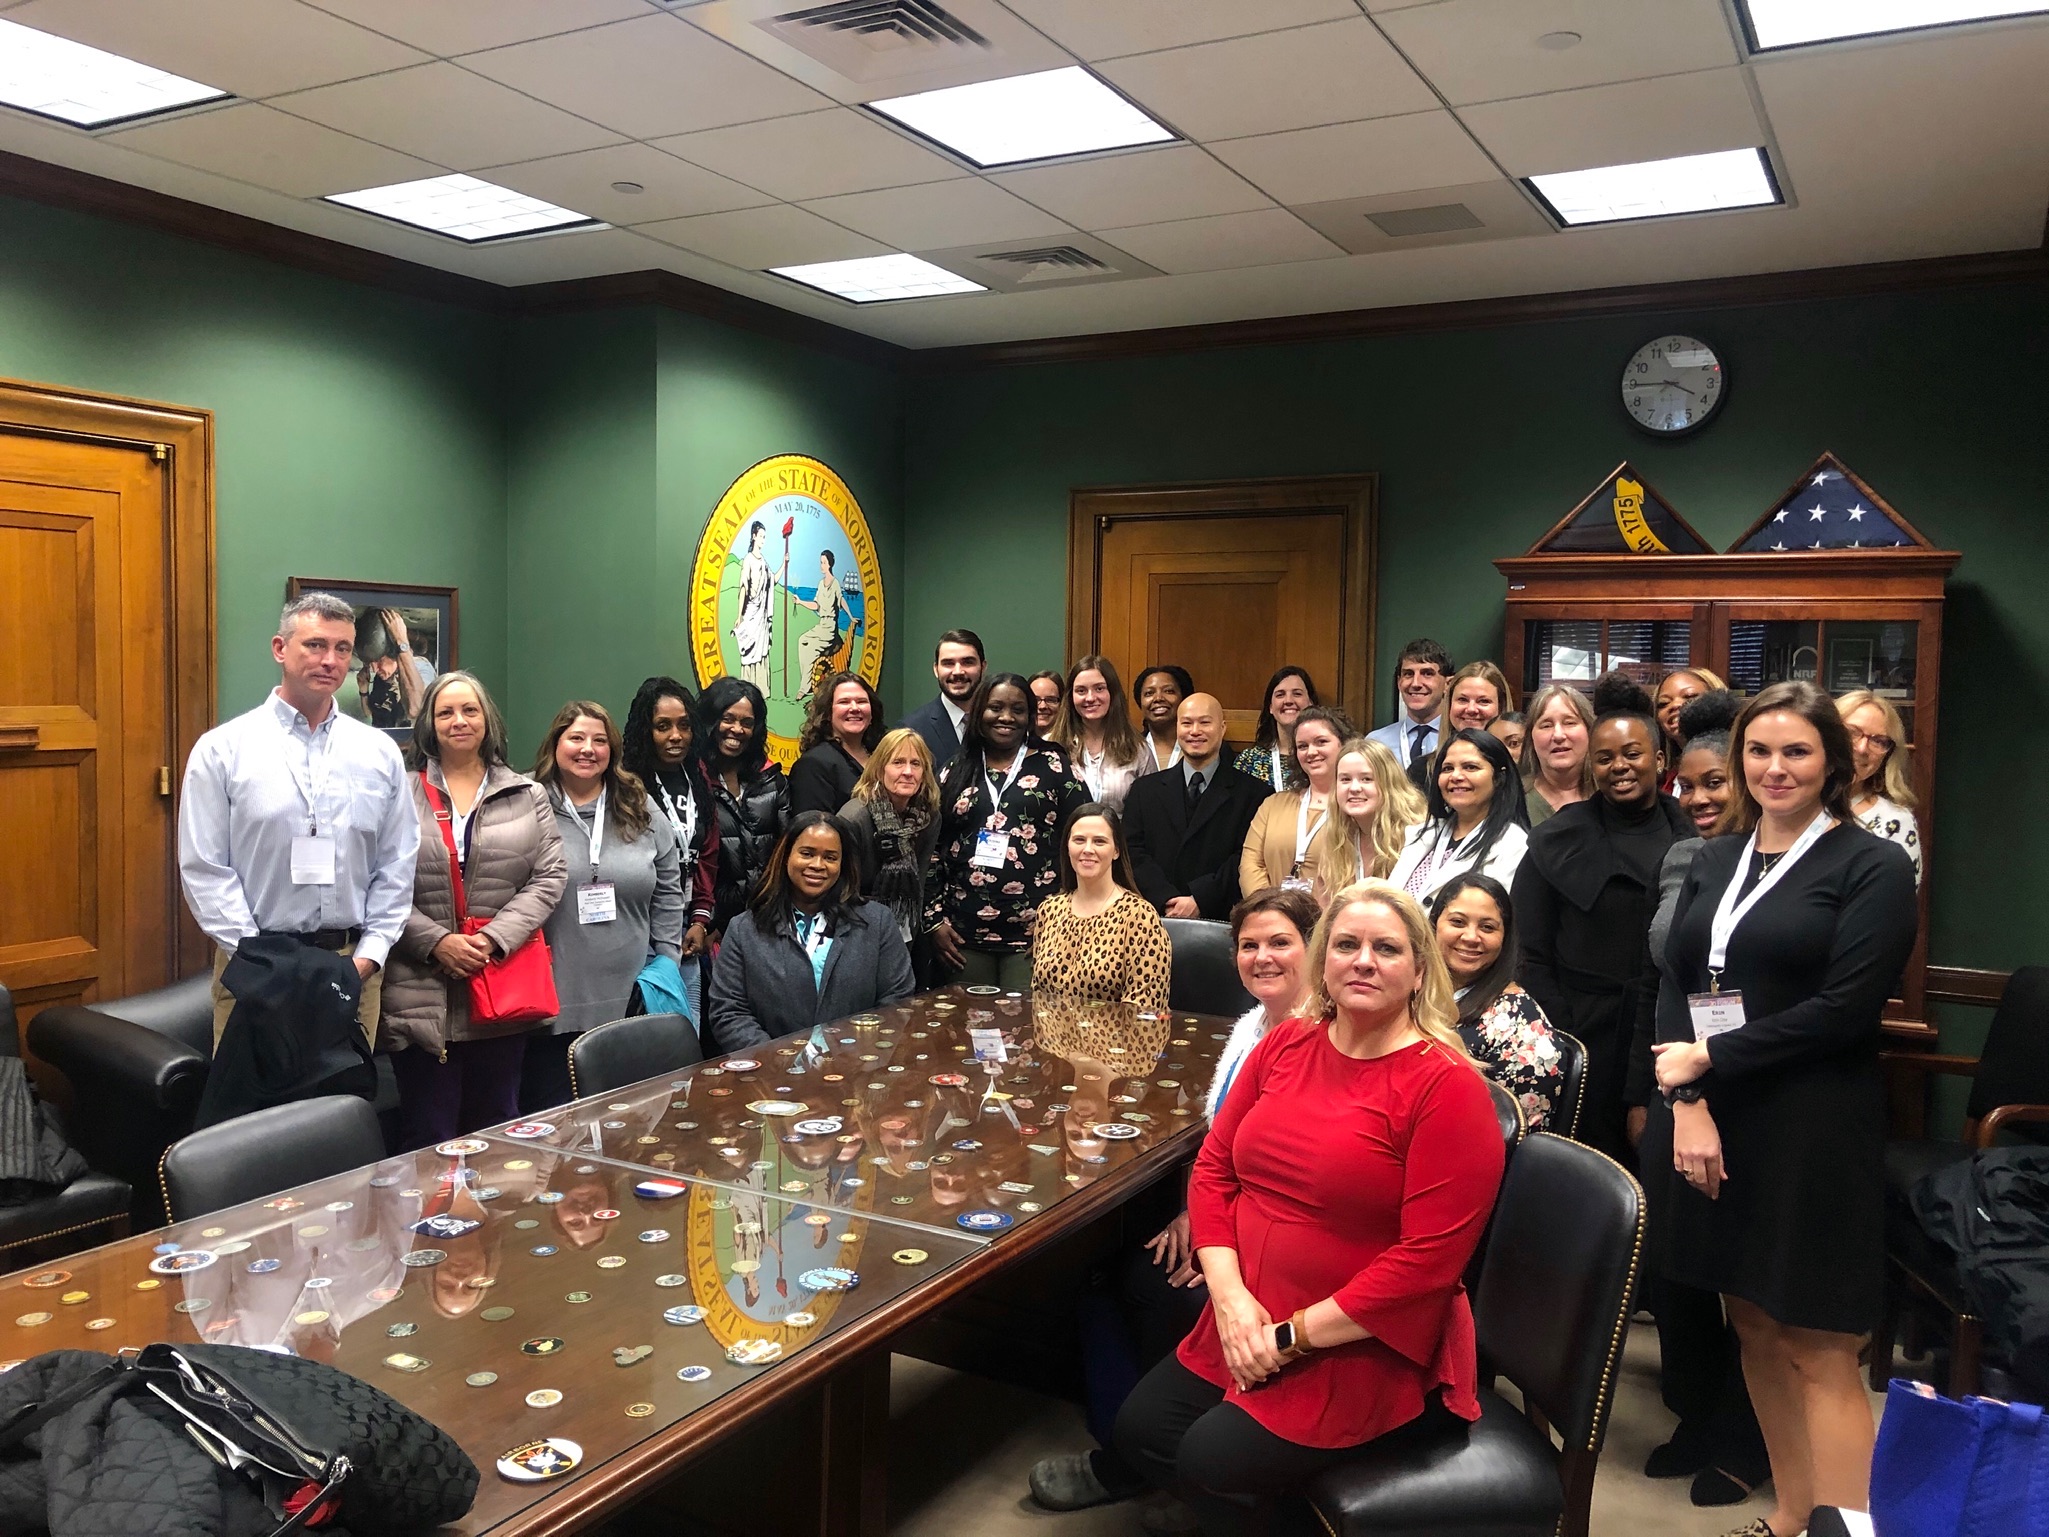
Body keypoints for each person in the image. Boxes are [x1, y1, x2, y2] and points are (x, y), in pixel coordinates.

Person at [1113, 880, 1506, 1537]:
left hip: (1359, 1339)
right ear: (1323, 960)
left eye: (1386, 948)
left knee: (1211, 1458)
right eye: (1346, 943)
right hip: (1247, 1313)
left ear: (1417, 970)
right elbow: (1213, 1168)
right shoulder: (1287, 1042)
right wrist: (1231, 1299)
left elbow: (1426, 1265)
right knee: (1142, 1430)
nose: (1362, 959)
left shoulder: (1449, 1087)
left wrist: (1285, 1337)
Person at [1650, 681, 1917, 1537]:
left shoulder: (1872, 864)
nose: (1774, 767)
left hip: (1812, 1127)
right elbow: (1677, 981)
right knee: (1754, 1326)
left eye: (1796, 750)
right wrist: (1688, 1098)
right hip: (1715, 1125)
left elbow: (1846, 1007)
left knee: (1818, 1343)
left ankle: (1848, 1527)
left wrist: (1711, 1055)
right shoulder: (1715, 858)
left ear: (1834, 763)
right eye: (1758, 751)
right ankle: (1793, 1511)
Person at [1029, 887, 1320, 1519]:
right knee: (1104, 1273)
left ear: (1313, 949)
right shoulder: (1253, 1024)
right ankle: (1130, 1451)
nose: (1262, 958)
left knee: (1147, 1285)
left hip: (1270, 1248)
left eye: (1280, 943)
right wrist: (1197, 1209)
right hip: (1221, 1212)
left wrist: (1218, 1239)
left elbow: (1293, 1178)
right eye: (1249, 945)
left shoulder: (1316, 1037)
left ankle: (1142, 1463)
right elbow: (1221, 1141)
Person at [1624, 687, 1767, 1512]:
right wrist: (1648, 1091)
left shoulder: (1794, 864)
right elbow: (1658, 976)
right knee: (1672, 1263)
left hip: (1751, 1091)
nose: (1705, 796)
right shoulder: (1683, 858)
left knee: (1741, 1272)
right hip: (1671, 1080)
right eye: (1693, 784)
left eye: (1719, 782)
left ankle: (1750, 1437)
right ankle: (1697, 1414)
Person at [179, 591, 419, 1046]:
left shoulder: (379, 752)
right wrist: (259, 961)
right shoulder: (223, 750)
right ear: (280, 649)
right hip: (255, 968)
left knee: (341, 1111)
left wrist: (368, 958)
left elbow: (396, 865)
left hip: (350, 969)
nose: (329, 659)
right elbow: (205, 869)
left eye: (342, 649)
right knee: (256, 1117)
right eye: (314, 644)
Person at [381, 672, 567, 1150]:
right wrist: (436, 942)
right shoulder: (397, 793)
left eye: (470, 710)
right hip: (418, 991)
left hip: (500, 984)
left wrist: (490, 940)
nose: (458, 721)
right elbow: (374, 883)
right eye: (445, 712)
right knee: (428, 1136)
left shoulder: (527, 795)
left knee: (500, 1135)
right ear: (429, 723)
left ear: (488, 721)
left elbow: (549, 879)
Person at [1513, 674, 1692, 1159]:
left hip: (1667, 1034)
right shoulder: (1556, 841)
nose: (1620, 767)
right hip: (1580, 1034)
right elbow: (1530, 950)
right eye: (1605, 757)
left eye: (1632, 754)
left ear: (1658, 760)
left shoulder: (1697, 840)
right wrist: (1566, 1031)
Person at [523, 700, 684, 1110]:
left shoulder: (638, 805)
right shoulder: (526, 801)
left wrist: (666, 957)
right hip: (548, 1001)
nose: (587, 749)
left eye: (599, 740)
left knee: (628, 1130)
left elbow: (668, 885)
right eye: (576, 738)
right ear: (554, 744)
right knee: (555, 1133)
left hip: (631, 999)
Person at [928, 673, 1090, 990]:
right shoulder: (954, 770)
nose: (1006, 717)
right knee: (969, 1029)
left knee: (1025, 1031)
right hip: (963, 932)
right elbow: (932, 846)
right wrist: (934, 921)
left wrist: (1069, 921)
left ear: (1029, 716)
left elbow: (1084, 844)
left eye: (1017, 709)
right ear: (979, 714)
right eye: (995, 708)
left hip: (1037, 933)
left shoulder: (1056, 766)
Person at [707, 811, 916, 1053]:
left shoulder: (877, 922)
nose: (817, 865)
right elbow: (729, 1011)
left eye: (830, 857)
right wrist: (777, 1059)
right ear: (785, 856)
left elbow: (897, 1000)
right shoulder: (744, 929)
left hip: (857, 1074)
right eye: (807, 854)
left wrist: (854, 1058)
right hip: (770, 1078)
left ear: (843, 864)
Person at [1430, 873, 1565, 1133]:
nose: (1471, 936)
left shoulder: (1524, 1032)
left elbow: (1514, 1139)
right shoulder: (1407, 992)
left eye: (1487, 927)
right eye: (1458, 922)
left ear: (1506, 939)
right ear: (1434, 925)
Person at [620, 677, 719, 1021]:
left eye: (684, 726)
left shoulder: (699, 779)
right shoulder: (627, 786)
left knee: (685, 1035)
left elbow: (707, 854)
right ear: (645, 731)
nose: (675, 736)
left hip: (686, 932)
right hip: (638, 933)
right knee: (642, 1040)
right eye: (663, 726)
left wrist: (700, 920)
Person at [1124, 693, 1265, 920]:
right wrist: (1166, 899)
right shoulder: (1143, 791)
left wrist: (1200, 898)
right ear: (1177, 728)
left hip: (1222, 918)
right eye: (1187, 723)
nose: (1195, 731)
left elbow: (1246, 857)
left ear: (1222, 727)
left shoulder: (1254, 794)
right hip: (1153, 917)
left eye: (1205, 722)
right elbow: (1132, 852)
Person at [1031, 804, 1173, 1008]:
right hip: (1051, 1039)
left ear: (1116, 851)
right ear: (1067, 847)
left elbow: (1144, 1013)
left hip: (1114, 1039)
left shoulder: (1140, 916)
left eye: (1099, 841)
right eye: (1079, 840)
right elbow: (1038, 999)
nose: (1088, 849)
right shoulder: (1049, 910)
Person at [1388, 728, 1528, 903]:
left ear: (1500, 777)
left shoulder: (1514, 846)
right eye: (1447, 768)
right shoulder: (1420, 834)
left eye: (1470, 767)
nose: (1455, 776)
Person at [695, 676, 787, 941]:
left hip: (769, 923)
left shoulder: (771, 778)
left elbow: (785, 847)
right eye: (728, 719)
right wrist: (709, 923)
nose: (737, 729)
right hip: (712, 928)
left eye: (747, 723)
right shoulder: (694, 780)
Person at [1239, 706, 1355, 900]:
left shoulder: (1356, 807)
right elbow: (1251, 864)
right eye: (1302, 746)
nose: (1311, 752)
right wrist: (1272, 910)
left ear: (1344, 745)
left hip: (1332, 922)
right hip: (1273, 920)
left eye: (1321, 742)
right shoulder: (1273, 804)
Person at [838, 727, 940, 946]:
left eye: (916, 764)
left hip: (907, 931)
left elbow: (918, 885)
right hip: (855, 930)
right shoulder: (854, 817)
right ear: (879, 768)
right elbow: (843, 894)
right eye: (898, 763)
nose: (908, 772)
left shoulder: (928, 817)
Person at [1313, 736, 1426, 899]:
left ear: (1389, 784)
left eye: (1366, 779)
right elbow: (1325, 913)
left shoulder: (1416, 838)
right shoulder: (1337, 840)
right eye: (1345, 779)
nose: (1354, 788)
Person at [1836, 689, 1922, 886]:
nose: (1862, 748)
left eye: (1878, 741)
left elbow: (1894, 905)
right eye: (1852, 733)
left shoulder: (1895, 822)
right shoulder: (1794, 803)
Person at [1050, 655, 1147, 812]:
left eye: (1099, 689)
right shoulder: (1052, 746)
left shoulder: (1138, 749)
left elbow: (1149, 810)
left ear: (1112, 693)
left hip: (1119, 835)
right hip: (1068, 835)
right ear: (1070, 697)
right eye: (1081, 691)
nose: (1090, 698)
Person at [1407, 660, 1513, 792]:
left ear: (1501, 707)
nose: (1471, 709)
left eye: (1483, 701)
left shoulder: (1519, 769)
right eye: (1462, 700)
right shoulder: (1422, 771)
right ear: (1449, 704)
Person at [788, 670, 883, 815]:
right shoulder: (813, 765)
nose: (854, 708)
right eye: (844, 702)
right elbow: (813, 831)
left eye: (861, 701)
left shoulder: (881, 756)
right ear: (827, 713)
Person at [901, 629, 985, 769]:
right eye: (948, 663)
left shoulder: (1000, 725)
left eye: (967, 662)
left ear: (983, 667)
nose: (958, 671)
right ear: (936, 669)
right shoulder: (911, 729)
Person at [1231, 666, 1319, 792]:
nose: (1288, 701)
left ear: (1311, 703)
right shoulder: (1249, 761)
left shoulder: (1321, 757)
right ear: (1271, 707)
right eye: (1280, 695)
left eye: (1297, 694)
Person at [1366, 639, 1451, 769]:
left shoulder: (1459, 738)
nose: (1415, 683)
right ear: (1399, 682)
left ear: (1447, 684)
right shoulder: (1376, 743)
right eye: (1408, 674)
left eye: (1427, 674)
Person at [1522, 682, 1595, 828]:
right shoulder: (1513, 801)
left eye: (1569, 723)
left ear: (1590, 731)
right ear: (1531, 738)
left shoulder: (1611, 795)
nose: (1558, 735)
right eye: (1546, 725)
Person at [794, 548, 850, 691]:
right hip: (821, 625)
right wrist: (800, 602)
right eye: (820, 562)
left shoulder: (835, 583)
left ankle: (804, 689)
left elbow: (841, 600)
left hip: (830, 628)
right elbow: (816, 605)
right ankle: (807, 682)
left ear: (829, 565)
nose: (821, 566)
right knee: (802, 641)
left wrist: (850, 616)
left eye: (823, 563)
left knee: (812, 649)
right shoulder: (820, 584)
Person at [1655, 668, 1729, 770]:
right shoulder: (1666, 779)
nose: (1675, 705)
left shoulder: (1741, 767)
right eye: (1664, 703)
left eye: (1690, 696)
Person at [733, 521, 775, 694]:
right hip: (751, 612)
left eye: (765, 537)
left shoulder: (764, 562)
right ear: (754, 536)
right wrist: (739, 615)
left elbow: (772, 581)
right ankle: (747, 689)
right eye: (761, 536)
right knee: (749, 651)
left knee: (761, 650)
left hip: (761, 616)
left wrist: (784, 565)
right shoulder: (748, 560)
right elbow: (743, 587)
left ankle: (761, 689)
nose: (763, 540)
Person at [1135, 665, 1194, 773]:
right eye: (1149, 693)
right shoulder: (1130, 750)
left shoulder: (1201, 746)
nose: (1158, 698)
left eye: (1168, 691)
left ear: (1184, 698)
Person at [1027, 669, 1065, 739]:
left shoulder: (1074, 745)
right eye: (1036, 700)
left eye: (1050, 700)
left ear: (1062, 703)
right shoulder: (1014, 743)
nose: (1042, 706)